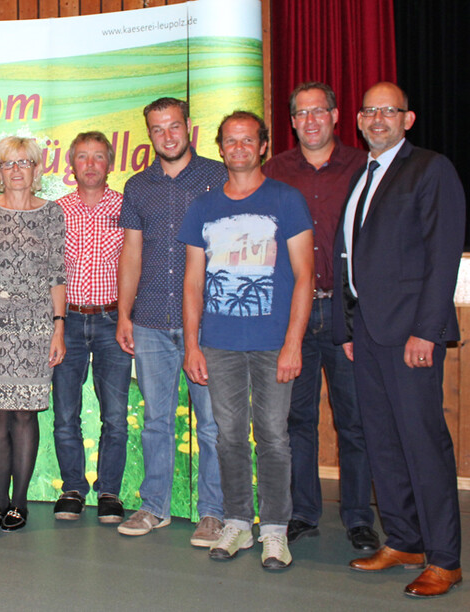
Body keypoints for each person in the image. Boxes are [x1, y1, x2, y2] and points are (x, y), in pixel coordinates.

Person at [334, 82, 465, 598]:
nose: (378, 118)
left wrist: (426, 331)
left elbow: (442, 257)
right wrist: (349, 328)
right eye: (370, 110)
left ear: (408, 120)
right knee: (382, 442)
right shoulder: (362, 175)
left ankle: (445, 559)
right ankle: (405, 541)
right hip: (366, 332)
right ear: (360, 120)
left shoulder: (430, 169)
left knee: (422, 444)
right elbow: (354, 258)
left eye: (389, 111)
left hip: (410, 333)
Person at [180, 111, 313, 570]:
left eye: (247, 140)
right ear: (220, 148)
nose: (238, 147)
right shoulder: (203, 207)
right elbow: (193, 283)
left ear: (262, 147)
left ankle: (275, 530)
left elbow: (304, 277)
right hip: (218, 343)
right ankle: (237, 521)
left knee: (274, 436)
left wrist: (293, 341)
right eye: (230, 140)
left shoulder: (287, 200)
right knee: (229, 435)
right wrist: (193, 345)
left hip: (273, 342)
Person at [261, 82, 378, 551]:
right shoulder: (275, 171)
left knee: (354, 421)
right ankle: (303, 513)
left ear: (335, 116)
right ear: (291, 122)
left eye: (318, 112)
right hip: (292, 314)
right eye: (301, 114)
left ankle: (358, 518)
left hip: (347, 311)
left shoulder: (360, 167)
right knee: (296, 421)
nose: (310, 121)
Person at [116, 97, 226, 546]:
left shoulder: (219, 177)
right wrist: (124, 314)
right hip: (151, 319)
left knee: (212, 422)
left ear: (189, 128)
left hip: (210, 322)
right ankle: (153, 507)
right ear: (150, 135)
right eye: (157, 129)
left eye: (173, 127)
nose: (167, 136)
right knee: (155, 420)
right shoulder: (137, 186)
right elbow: (131, 254)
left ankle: (214, 514)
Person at [0, 136, 67, 532]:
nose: (17, 170)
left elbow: (58, 274)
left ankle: (19, 503)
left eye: (25, 162)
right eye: (9, 163)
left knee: (24, 415)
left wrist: (59, 328)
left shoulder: (52, 214)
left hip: (37, 328)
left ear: (37, 170)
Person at [49, 132, 132, 526]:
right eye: (82, 156)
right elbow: (50, 273)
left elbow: (135, 266)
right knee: (66, 413)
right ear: (72, 164)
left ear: (110, 163)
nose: (91, 164)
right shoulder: (57, 210)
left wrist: (128, 317)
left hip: (113, 320)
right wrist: (55, 323)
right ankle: (72, 488)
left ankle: (110, 492)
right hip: (67, 319)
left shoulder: (126, 208)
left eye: (99, 157)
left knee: (115, 414)